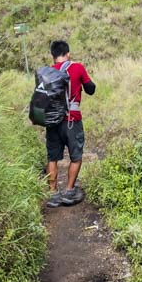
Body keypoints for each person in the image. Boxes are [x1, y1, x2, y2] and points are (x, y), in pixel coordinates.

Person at [44, 40, 95, 208]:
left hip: (52, 122)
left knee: (53, 157)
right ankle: (68, 190)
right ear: (68, 53)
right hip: (72, 120)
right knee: (76, 156)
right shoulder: (77, 67)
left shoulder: (48, 72)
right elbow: (91, 89)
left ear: (52, 56)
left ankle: (53, 193)